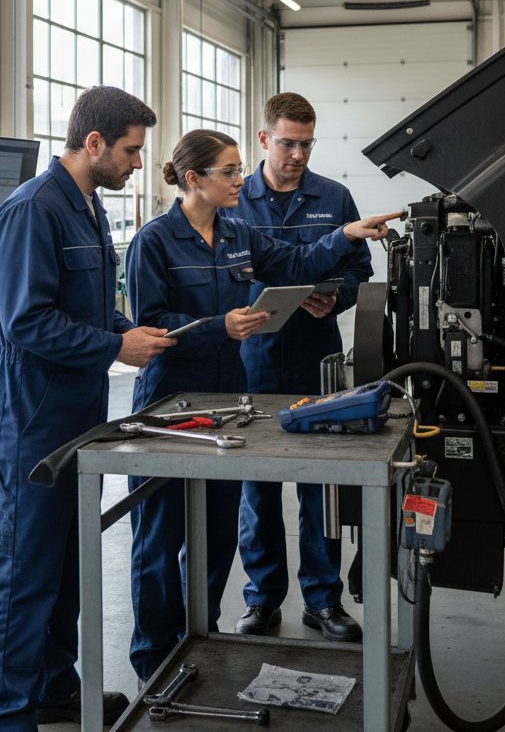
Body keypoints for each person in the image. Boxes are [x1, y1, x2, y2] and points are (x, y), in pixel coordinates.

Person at [123, 127, 398, 681]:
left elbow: (295, 263)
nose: (239, 180)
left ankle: (194, 635)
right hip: (171, 406)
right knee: (160, 541)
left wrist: (345, 232)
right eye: (228, 171)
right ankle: (155, 658)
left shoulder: (238, 233)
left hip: (228, 402)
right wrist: (218, 327)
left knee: (218, 535)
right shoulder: (153, 242)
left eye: (240, 169)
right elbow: (147, 328)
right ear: (194, 179)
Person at [0, 86, 174, 732]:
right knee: (23, 575)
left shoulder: (88, 206)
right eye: (130, 150)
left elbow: (87, 306)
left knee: (65, 569)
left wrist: (130, 330)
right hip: (30, 424)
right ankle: (8, 715)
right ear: (94, 144)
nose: (139, 163)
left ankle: (55, 687)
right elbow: (26, 321)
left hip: (78, 419)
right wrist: (115, 344)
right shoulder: (33, 210)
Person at [228, 92, 372, 643]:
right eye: (287, 142)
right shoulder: (236, 200)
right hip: (253, 360)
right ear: (264, 138)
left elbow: (358, 269)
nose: (297, 154)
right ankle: (262, 599)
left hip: (318, 356)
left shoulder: (334, 197)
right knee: (257, 486)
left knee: (320, 483)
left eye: (306, 144)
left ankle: (323, 600)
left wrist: (337, 299)